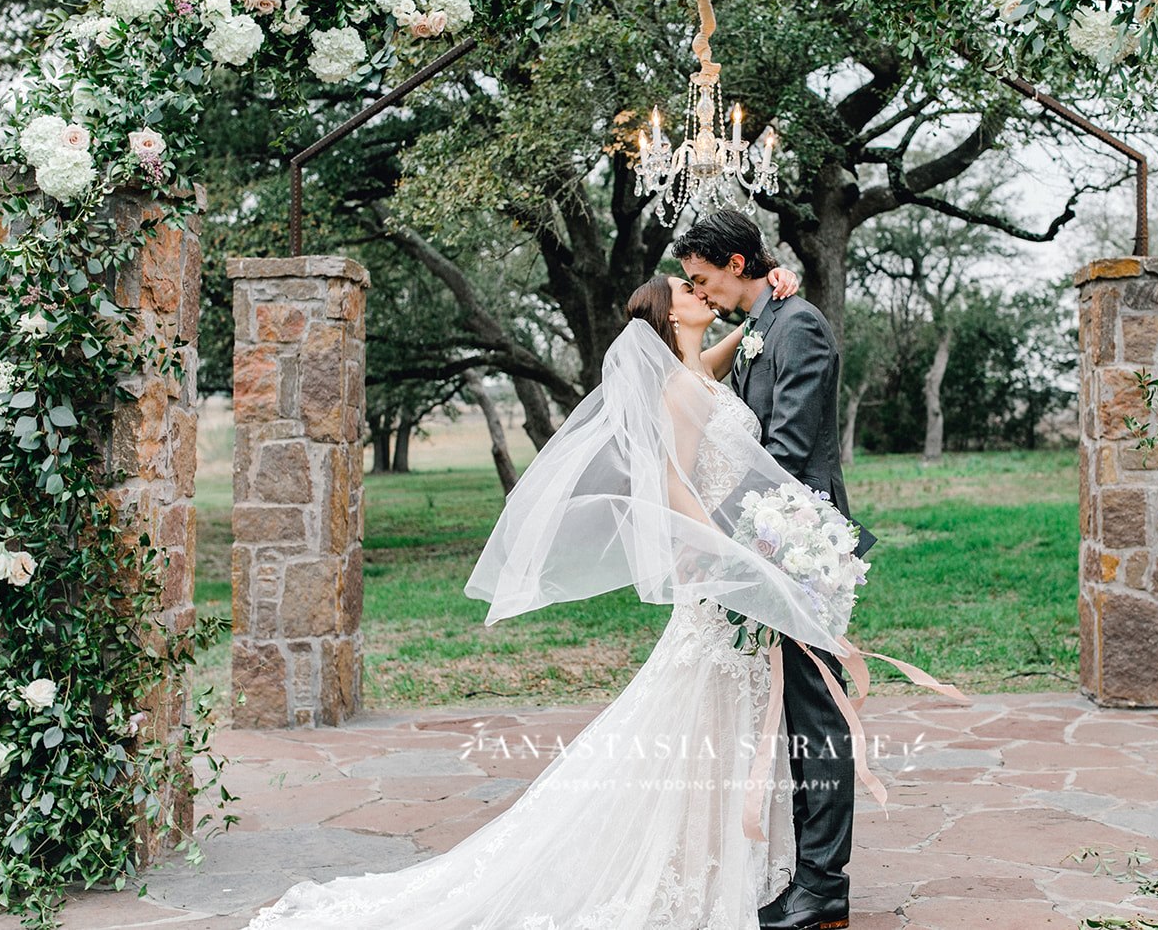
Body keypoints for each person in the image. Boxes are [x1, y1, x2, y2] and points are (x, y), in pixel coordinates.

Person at [245, 268, 849, 930]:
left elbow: (736, 341)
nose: (698, 292)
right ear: (669, 318)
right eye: (686, 290)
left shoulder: (698, 370)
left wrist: (772, 292)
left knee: (715, 730)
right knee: (691, 729)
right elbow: (676, 489)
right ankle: (684, 873)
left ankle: (721, 867)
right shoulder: (680, 390)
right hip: (719, 579)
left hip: (732, 580)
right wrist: (732, 555)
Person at [674, 210, 869, 930]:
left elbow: (786, 453)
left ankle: (824, 884)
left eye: (703, 278)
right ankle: (810, 878)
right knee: (795, 714)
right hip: (772, 545)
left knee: (819, 713)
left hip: (803, 545)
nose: (702, 290)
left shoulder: (799, 326)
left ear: (735, 260)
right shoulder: (765, 321)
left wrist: (712, 535)